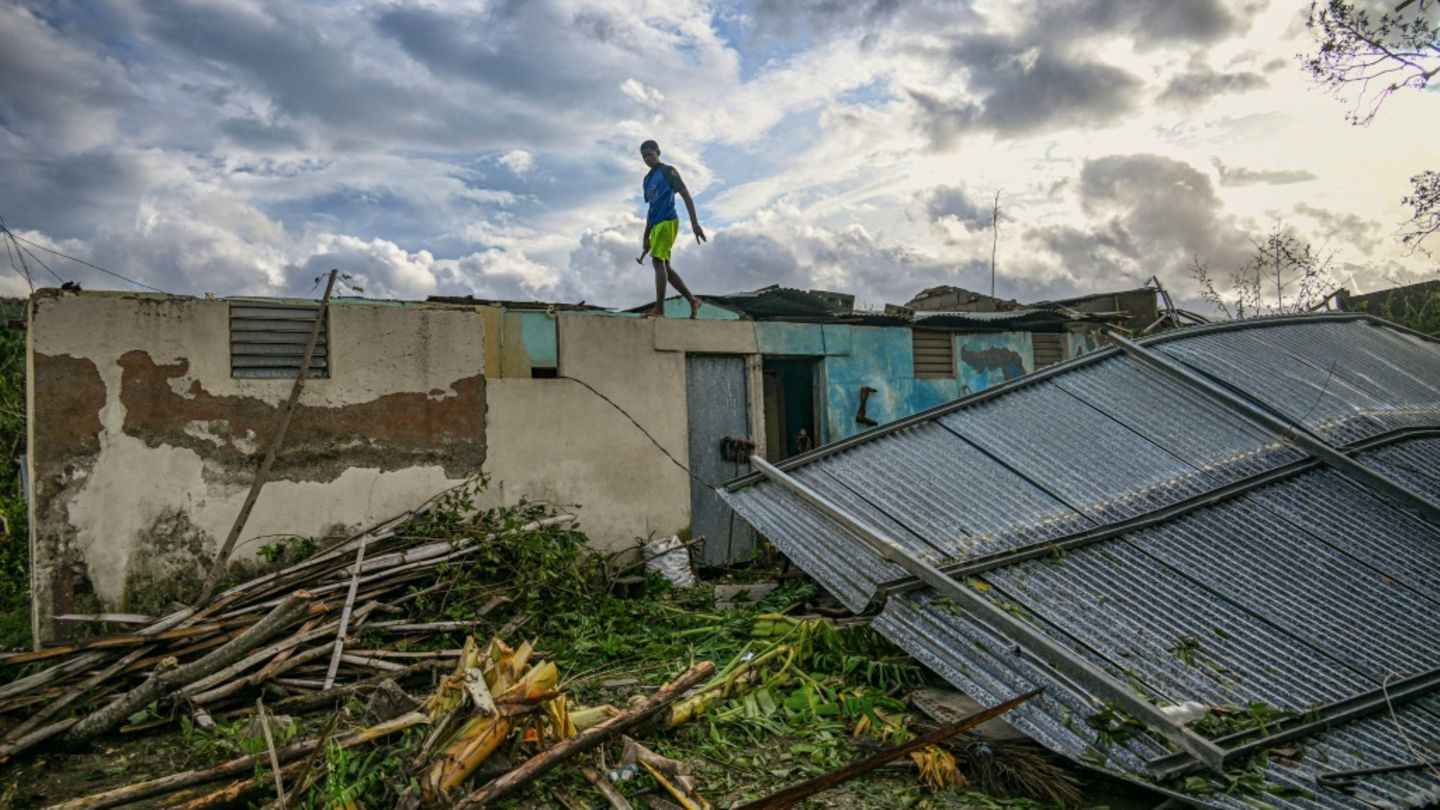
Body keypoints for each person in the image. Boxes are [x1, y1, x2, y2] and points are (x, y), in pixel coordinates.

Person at [639, 140, 706, 318]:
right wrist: (646, 236)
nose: (647, 159)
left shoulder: (668, 171)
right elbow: (651, 208)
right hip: (655, 224)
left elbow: (686, 196)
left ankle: (659, 309)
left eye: (650, 154)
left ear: (658, 152)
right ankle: (693, 300)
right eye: (644, 157)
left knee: (657, 262)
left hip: (668, 221)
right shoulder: (646, 180)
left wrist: (695, 224)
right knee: (665, 266)